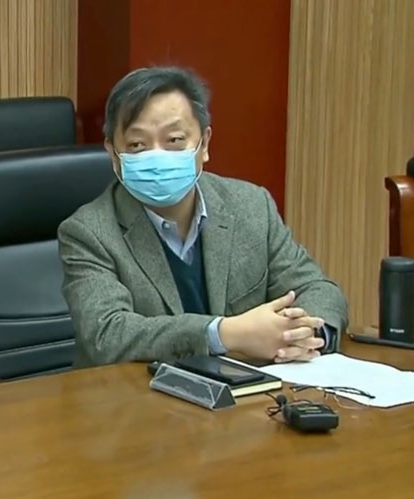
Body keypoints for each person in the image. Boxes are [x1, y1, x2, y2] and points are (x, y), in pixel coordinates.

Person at [58, 67, 348, 368]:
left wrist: (308, 335)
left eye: (174, 140)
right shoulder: (88, 232)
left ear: (204, 143)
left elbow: (318, 289)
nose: (158, 157)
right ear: (113, 153)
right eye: (137, 145)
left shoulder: (251, 205)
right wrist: (225, 334)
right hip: (136, 394)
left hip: (247, 390)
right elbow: (106, 335)